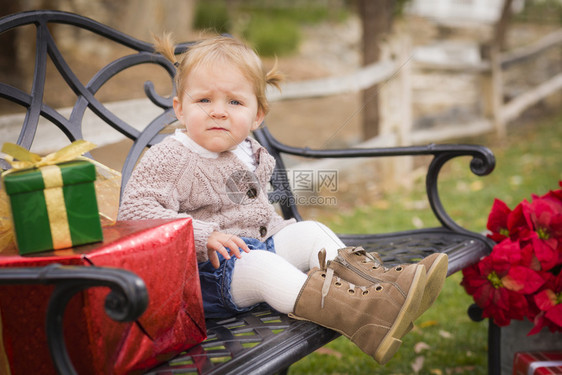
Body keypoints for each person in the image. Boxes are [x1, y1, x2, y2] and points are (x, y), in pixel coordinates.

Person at [118, 34, 448, 365]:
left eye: (234, 102)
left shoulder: (247, 149)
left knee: (309, 231)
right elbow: (135, 212)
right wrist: (204, 235)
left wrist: (281, 234)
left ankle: (384, 289)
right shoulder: (171, 156)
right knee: (263, 266)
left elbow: (257, 214)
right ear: (179, 107)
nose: (218, 112)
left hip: (254, 248)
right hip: (207, 276)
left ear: (257, 116)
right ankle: (361, 319)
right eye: (204, 100)